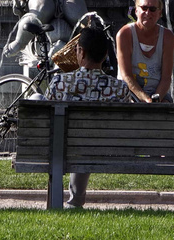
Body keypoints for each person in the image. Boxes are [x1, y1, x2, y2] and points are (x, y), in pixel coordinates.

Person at [43, 24, 135, 209]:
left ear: (81, 53)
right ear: (105, 55)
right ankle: (75, 201)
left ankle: (68, 201)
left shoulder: (59, 83)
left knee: (65, 137)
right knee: (85, 143)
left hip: (63, 147)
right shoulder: (119, 88)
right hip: (105, 149)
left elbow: (46, 120)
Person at [116, 0, 174, 103]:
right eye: (144, 8)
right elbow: (126, 76)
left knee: (168, 108)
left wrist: (157, 97)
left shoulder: (168, 37)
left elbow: (166, 77)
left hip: (157, 93)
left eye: (152, 9)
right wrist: (145, 98)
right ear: (136, 11)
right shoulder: (125, 34)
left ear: (159, 13)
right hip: (129, 92)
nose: (147, 13)